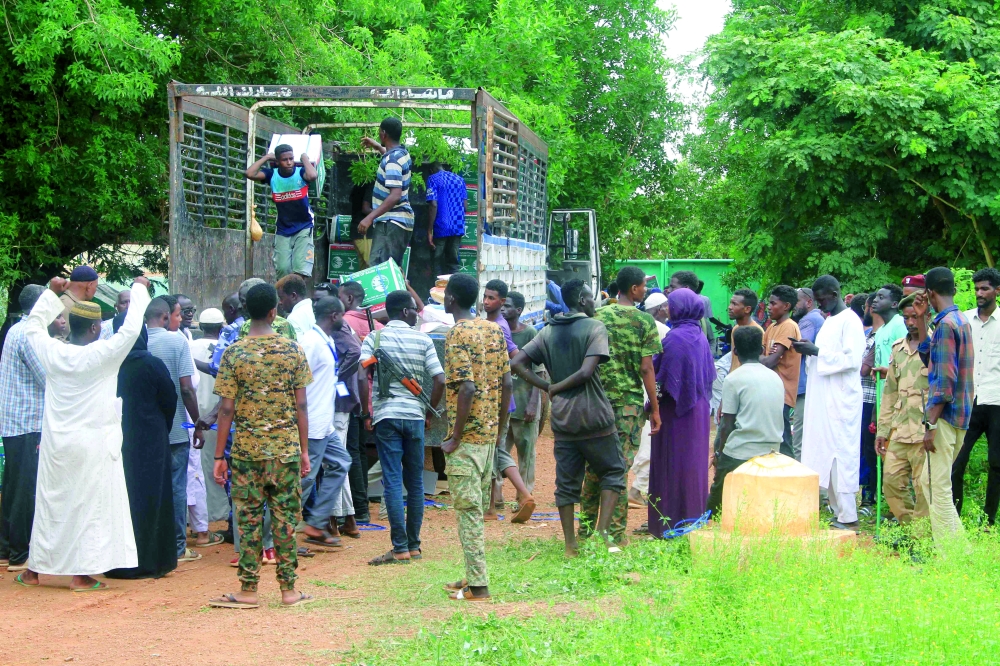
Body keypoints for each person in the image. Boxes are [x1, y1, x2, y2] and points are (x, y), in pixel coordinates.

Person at [14, 276, 150, 592]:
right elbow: (130, 330)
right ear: (94, 328)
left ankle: (34, 571)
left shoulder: (52, 351)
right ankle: (81, 575)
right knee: (89, 506)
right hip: (93, 442)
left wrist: (53, 293)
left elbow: (33, 327)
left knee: (51, 504)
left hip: (56, 442)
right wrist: (139, 288)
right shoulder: (102, 355)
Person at [209, 283, 314, 609]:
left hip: (246, 453)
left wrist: (218, 455)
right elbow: (301, 407)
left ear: (245, 313)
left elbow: (226, 409)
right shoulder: (292, 351)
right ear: (274, 312)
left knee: (249, 519)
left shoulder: (234, 353)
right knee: (285, 519)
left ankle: (249, 590)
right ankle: (288, 590)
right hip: (284, 452)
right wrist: (305, 449)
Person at [511, 279, 626, 557]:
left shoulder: (548, 332)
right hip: (595, 416)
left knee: (566, 484)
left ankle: (570, 545)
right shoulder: (595, 327)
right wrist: (555, 387)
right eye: (591, 297)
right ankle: (602, 533)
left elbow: (516, 363)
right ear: (583, 300)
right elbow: (587, 372)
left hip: (563, 419)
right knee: (612, 471)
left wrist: (548, 388)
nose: (594, 302)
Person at [439, 274, 512, 601]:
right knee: (476, 509)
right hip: (487, 438)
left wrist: (454, 437)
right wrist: (498, 430)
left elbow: (466, 386)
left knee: (468, 512)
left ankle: (479, 586)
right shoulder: (494, 330)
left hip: (467, 439)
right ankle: (472, 576)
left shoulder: (457, 334)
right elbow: (508, 384)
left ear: (451, 299)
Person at [360, 290, 445, 565]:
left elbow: (363, 375)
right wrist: (427, 412)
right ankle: (414, 546)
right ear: (406, 311)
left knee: (393, 481)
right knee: (416, 482)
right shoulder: (423, 339)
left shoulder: (375, 338)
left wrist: (367, 411)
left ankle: (399, 548)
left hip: (386, 416)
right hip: (415, 417)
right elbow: (440, 379)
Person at [588, 266, 661, 543]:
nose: (645, 290)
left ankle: (584, 529)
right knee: (618, 468)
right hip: (627, 407)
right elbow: (646, 369)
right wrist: (654, 409)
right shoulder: (644, 321)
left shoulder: (597, 316)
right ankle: (614, 533)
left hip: (596, 403)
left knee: (593, 465)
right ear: (634, 289)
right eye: (644, 286)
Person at [104, 314, 178, 580]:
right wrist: (160, 427)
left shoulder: (108, 366)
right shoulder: (152, 364)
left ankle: (118, 563)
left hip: (115, 442)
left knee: (120, 500)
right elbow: (169, 400)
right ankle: (152, 561)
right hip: (151, 442)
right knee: (152, 499)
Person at [792, 275, 866, 530]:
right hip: (824, 399)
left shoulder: (850, 321)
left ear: (834, 294)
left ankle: (849, 515)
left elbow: (852, 360)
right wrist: (810, 351)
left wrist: (816, 352)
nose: (820, 304)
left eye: (822, 299)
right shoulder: (830, 321)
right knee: (827, 453)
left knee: (841, 455)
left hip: (841, 400)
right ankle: (838, 512)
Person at [648, 288, 715, 535]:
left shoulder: (675, 339)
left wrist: (651, 406)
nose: (667, 310)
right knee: (692, 464)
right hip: (697, 409)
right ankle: (692, 518)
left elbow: (664, 381)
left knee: (673, 464)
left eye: (671, 305)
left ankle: (670, 522)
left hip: (676, 413)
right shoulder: (698, 334)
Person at [912, 267, 972, 542]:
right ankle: (955, 546)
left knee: (938, 487)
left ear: (929, 293)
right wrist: (923, 320)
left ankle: (955, 554)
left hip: (945, 417)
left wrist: (930, 425)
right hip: (961, 415)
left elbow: (944, 382)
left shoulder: (947, 326)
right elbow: (931, 361)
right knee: (930, 481)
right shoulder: (959, 320)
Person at [145, 297, 203, 564]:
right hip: (177, 428)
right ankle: (178, 547)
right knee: (177, 486)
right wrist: (197, 422)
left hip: (145, 430)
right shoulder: (176, 340)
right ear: (166, 317)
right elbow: (187, 387)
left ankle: (151, 543)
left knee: (149, 486)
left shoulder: (136, 341)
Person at [707, 326, 784, 516]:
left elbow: (726, 424)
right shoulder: (775, 377)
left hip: (742, 451)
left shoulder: (733, 379)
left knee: (717, 492)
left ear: (735, 352)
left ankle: (710, 519)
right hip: (772, 449)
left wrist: (719, 453)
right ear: (761, 351)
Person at [0, 286, 51, 572]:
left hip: (15, 421)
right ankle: (20, 554)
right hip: (28, 421)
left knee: (13, 486)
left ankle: (7, 548)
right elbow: (48, 377)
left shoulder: (15, 330)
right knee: (25, 489)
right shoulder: (29, 335)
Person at [298, 296, 351, 548]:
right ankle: (278, 533)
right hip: (312, 425)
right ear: (333, 316)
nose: (344, 319)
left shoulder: (325, 340)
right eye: (342, 315)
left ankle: (315, 523)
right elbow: (295, 381)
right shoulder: (311, 342)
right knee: (304, 480)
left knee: (341, 462)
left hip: (324, 423)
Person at [874, 294, 930, 525]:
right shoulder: (898, 349)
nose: (910, 322)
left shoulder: (934, 347)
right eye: (906, 318)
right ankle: (910, 531)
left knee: (924, 488)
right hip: (899, 430)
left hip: (925, 432)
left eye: (915, 317)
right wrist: (882, 431)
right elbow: (890, 394)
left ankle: (922, 538)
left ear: (926, 316)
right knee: (891, 483)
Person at [953, 268, 1000, 521]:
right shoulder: (964, 320)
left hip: (996, 402)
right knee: (957, 461)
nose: (980, 293)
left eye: (985, 288)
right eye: (977, 289)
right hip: (967, 400)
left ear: (997, 291)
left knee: (997, 463)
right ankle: (954, 518)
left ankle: (989, 519)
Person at [245, 143, 319, 279]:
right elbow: (249, 173)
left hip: (304, 226)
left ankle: (296, 297)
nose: (289, 162)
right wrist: (267, 157)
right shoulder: (271, 175)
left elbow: (313, 175)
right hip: (283, 228)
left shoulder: (300, 173)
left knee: (300, 269)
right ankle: (284, 298)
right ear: (278, 162)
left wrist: (304, 158)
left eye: (291, 158)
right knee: (283, 269)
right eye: (285, 160)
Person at [189, 308, 229, 533]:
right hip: (218, 415)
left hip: (195, 415)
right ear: (221, 326)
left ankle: (194, 517)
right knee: (218, 465)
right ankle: (218, 513)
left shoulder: (189, 347)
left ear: (201, 327)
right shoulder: (225, 349)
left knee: (196, 467)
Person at [357, 118, 414, 268]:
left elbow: (395, 195)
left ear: (383, 134)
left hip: (391, 222)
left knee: (380, 269)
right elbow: (390, 158)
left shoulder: (393, 160)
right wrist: (377, 146)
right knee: (391, 269)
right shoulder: (401, 154)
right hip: (399, 222)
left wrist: (369, 218)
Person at [502, 292, 541, 498]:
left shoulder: (530, 334)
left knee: (526, 454)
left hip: (525, 403)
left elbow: (539, 371)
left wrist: (534, 403)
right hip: (504, 406)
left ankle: (525, 497)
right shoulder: (498, 332)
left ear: (518, 311)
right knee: (500, 453)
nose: (502, 309)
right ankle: (496, 497)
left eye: (507, 306)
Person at [759, 285, 801, 457]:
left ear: (786, 306)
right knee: (771, 437)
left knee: (782, 439)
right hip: (771, 391)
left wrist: (757, 358)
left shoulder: (789, 326)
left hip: (782, 392)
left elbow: (769, 360)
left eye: (773, 303)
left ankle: (791, 478)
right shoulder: (772, 327)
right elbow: (762, 355)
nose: (769, 307)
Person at [792, 287, 825, 461]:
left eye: (797, 301)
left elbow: (796, 347)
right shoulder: (817, 318)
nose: (793, 306)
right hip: (809, 386)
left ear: (809, 302)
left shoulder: (809, 320)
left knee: (799, 438)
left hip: (805, 387)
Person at [426, 162, 468, 277]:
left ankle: (437, 292)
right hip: (458, 226)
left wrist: (429, 230)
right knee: (453, 263)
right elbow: (465, 206)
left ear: (431, 170)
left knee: (437, 262)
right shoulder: (460, 179)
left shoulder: (433, 179)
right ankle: (455, 291)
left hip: (441, 225)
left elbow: (433, 204)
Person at [667, 271, 714, 344]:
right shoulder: (696, 321)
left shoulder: (676, 335)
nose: (668, 290)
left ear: (686, 288)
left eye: (673, 287)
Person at [727, 288, 761, 373]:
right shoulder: (736, 328)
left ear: (747, 309)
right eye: (730, 303)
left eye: (734, 304)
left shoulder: (756, 332)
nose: (730, 307)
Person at [277, 274, 315, 338]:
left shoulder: (293, 318)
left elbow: (297, 346)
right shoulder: (314, 308)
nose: (280, 302)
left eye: (281, 298)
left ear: (293, 296)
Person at [349, 181, 375, 269]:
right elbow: (365, 208)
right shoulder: (371, 184)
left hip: (357, 232)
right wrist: (383, 214)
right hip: (365, 233)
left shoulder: (360, 183)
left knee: (364, 268)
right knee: (372, 266)